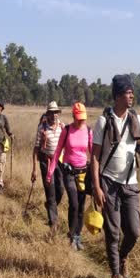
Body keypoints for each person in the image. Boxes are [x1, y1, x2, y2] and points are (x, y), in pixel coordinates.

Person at [91, 74, 140, 278]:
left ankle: (123, 257)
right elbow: (95, 157)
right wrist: (96, 187)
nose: (131, 95)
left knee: (133, 232)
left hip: (131, 184)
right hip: (108, 183)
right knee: (113, 232)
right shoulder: (103, 122)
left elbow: (139, 146)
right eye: (127, 92)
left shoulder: (137, 119)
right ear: (117, 96)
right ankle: (116, 277)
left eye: (132, 91)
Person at [47, 102, 93, 250]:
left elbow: (93, 154)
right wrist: (50, 172)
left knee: (80, 206)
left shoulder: (89, 131)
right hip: (68, 172)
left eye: (83, 118)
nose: (81, 121)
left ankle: (78, 236)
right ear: (73, 116)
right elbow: (57, 152)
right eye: (79, 118)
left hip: (83, 173)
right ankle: (71, 236)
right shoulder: (66, 130)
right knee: (73, 204)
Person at [31, 101, 65, 237]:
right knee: (50, 193)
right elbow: (36, 149)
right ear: (48, 114)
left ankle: (50, 206)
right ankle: (53, 225)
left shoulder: (62, 127)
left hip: (60, 162)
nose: (54, 115)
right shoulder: (42, 128)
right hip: (46, 162)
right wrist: (34, 169)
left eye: (56, 112)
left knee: (61, 190)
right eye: (51, 113)